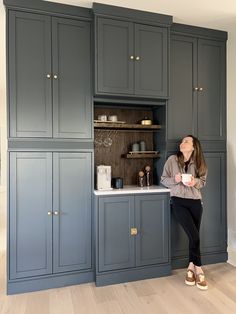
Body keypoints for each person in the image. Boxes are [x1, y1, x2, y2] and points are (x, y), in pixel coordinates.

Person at [161, 135, 208, 290]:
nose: (182, 143)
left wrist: (195, 182)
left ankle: (190, 267)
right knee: (194, 236)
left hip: (196, 203)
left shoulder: (200, 162)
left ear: (194, 146)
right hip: (178, 201)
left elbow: (203, 182)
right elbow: (163, 179)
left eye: (186, 141)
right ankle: (199, 268)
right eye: (181, 141)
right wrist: (175, 179)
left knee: (193, 236)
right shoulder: (172, 160)